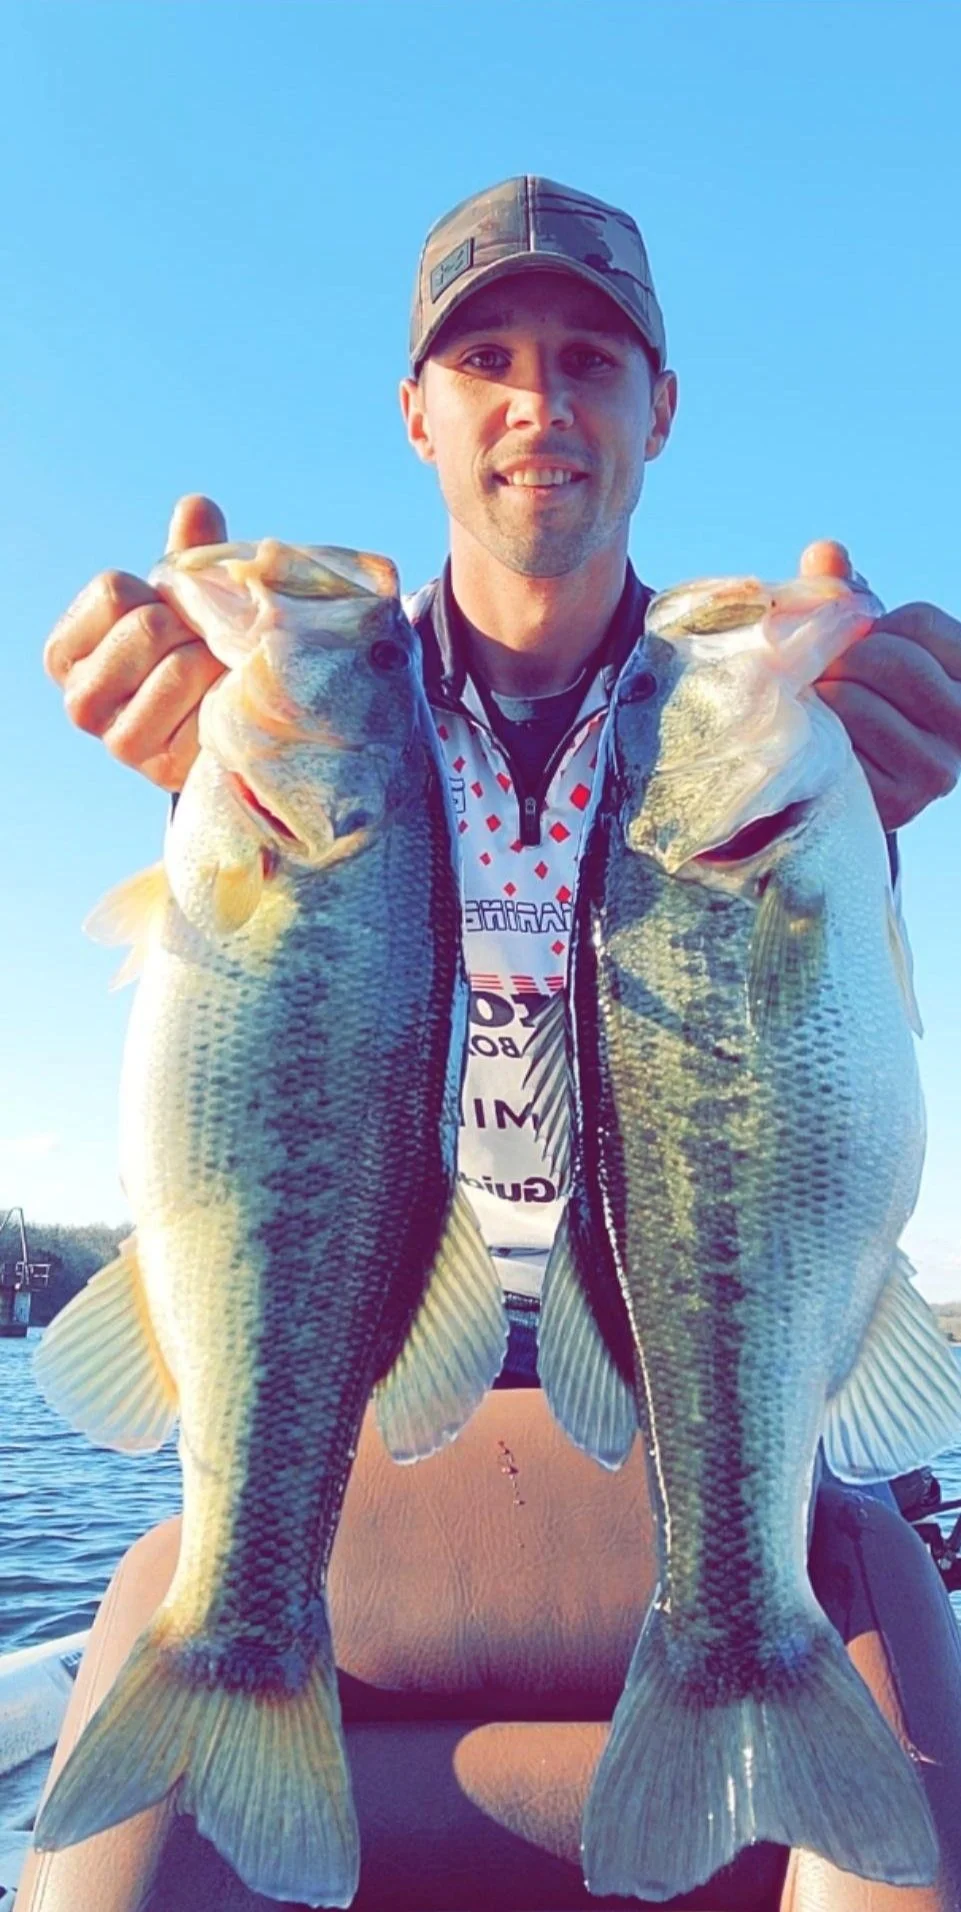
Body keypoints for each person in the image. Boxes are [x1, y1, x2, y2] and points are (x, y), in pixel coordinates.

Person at [20, 177, 961, 1912]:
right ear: (418, 412)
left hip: (696, 1443)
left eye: (592, 360)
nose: (543, 403)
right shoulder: (332, 710)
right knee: (104, 1843)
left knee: (897, 1818)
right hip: (392, 1441)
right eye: (491, 361)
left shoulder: (753, 724)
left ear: (658, 408)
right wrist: (181, 731)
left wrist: (866, 809)